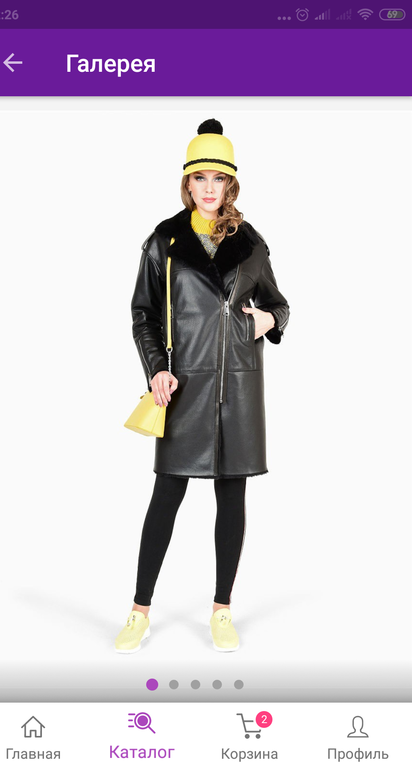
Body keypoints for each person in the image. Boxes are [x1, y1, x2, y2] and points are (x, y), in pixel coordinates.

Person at [115, 119, 290, 654]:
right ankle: (139, 611)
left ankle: (221, 610)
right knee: (166, 496)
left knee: (231, 497)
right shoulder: (164, 242)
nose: (209, 188)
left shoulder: (250, 242)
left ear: (230, 184)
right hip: (184, 386)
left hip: (238, 387)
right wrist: (156, 368)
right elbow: (143, 314)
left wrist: (266, 321)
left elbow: (279, 304)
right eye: (200, 178)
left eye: (219, 179)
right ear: (187, 182)